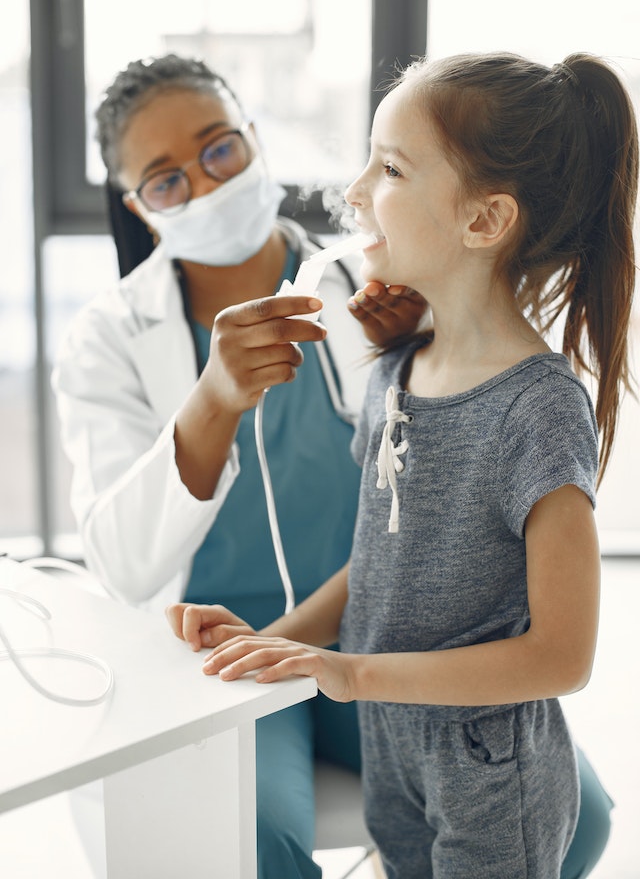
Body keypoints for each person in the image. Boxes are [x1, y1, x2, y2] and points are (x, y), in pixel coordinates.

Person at [166, 51, 636, 878]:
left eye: (388, 167)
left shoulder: (537, 409)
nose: (352, 193)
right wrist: (273, 646)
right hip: (396, 754)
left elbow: (564, 656)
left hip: (493, 790)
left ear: (484, 221)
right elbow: (378, 566)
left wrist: (349, 672)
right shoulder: (395, 369)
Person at [52, 53, 426, 879]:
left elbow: (440, 482)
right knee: (252, 843)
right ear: (140, 210)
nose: (205, 185)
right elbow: (121, 563)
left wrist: (417, 353)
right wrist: (213, 402)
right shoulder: (109, 339)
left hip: (373, 617)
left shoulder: (375, 284)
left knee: (565, 810)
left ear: (256, 142)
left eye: (219, 149)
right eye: (166, 180)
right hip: (218, 655)